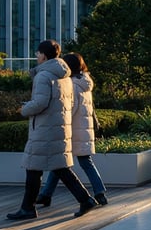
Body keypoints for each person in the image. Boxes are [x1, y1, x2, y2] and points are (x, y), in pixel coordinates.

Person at [6, 40, 98, 220]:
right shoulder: (64, 76)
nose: (36, 56)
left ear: (44, 55)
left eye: (38, 53)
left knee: (34, 167)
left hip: (44, 128)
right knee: (59, 167)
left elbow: (40, 103)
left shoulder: (43, 76)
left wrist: (24, 109)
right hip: (59, 127)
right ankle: (85, 199)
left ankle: (28, 208)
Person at [35, 52, 108, 208]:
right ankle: (99, 192)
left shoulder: (73, 84)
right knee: (79, 163)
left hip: (72, 130)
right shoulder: (85, 82)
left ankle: (46, 195)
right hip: (83, 130)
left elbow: (71, 108)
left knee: (61, 163)